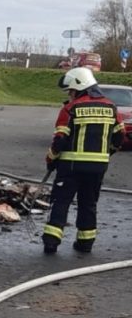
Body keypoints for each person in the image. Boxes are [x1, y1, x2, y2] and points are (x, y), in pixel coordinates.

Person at [42, 67, 124, 254]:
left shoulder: (71, 109)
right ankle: (85, 243)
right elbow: (120, 138)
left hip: (70, 166)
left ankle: (51, 242)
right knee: (88, 203)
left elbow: (60, 140)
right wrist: (105, 154)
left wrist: (51, 159)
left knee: (61, 201)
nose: (70, 95)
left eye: (70, 91)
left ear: (79, 86)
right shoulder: (111, 108)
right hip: (98, 168)